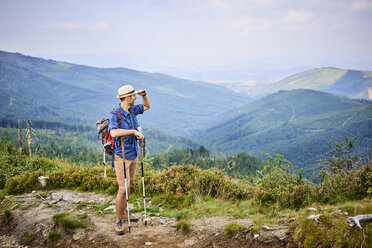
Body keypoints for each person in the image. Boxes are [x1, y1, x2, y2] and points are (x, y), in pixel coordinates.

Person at [108, 84, 150, 235]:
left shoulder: (132, 110)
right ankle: (119, 220)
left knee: (130, 184)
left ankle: (124, 212)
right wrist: (132, 131)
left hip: (134, 153)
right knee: (123, 188)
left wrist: (145, 95)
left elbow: (147, 106)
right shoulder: (115, 114)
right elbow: (113, 133)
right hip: (122, 156)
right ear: (127, 98)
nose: (135, 97)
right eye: (134, 96)